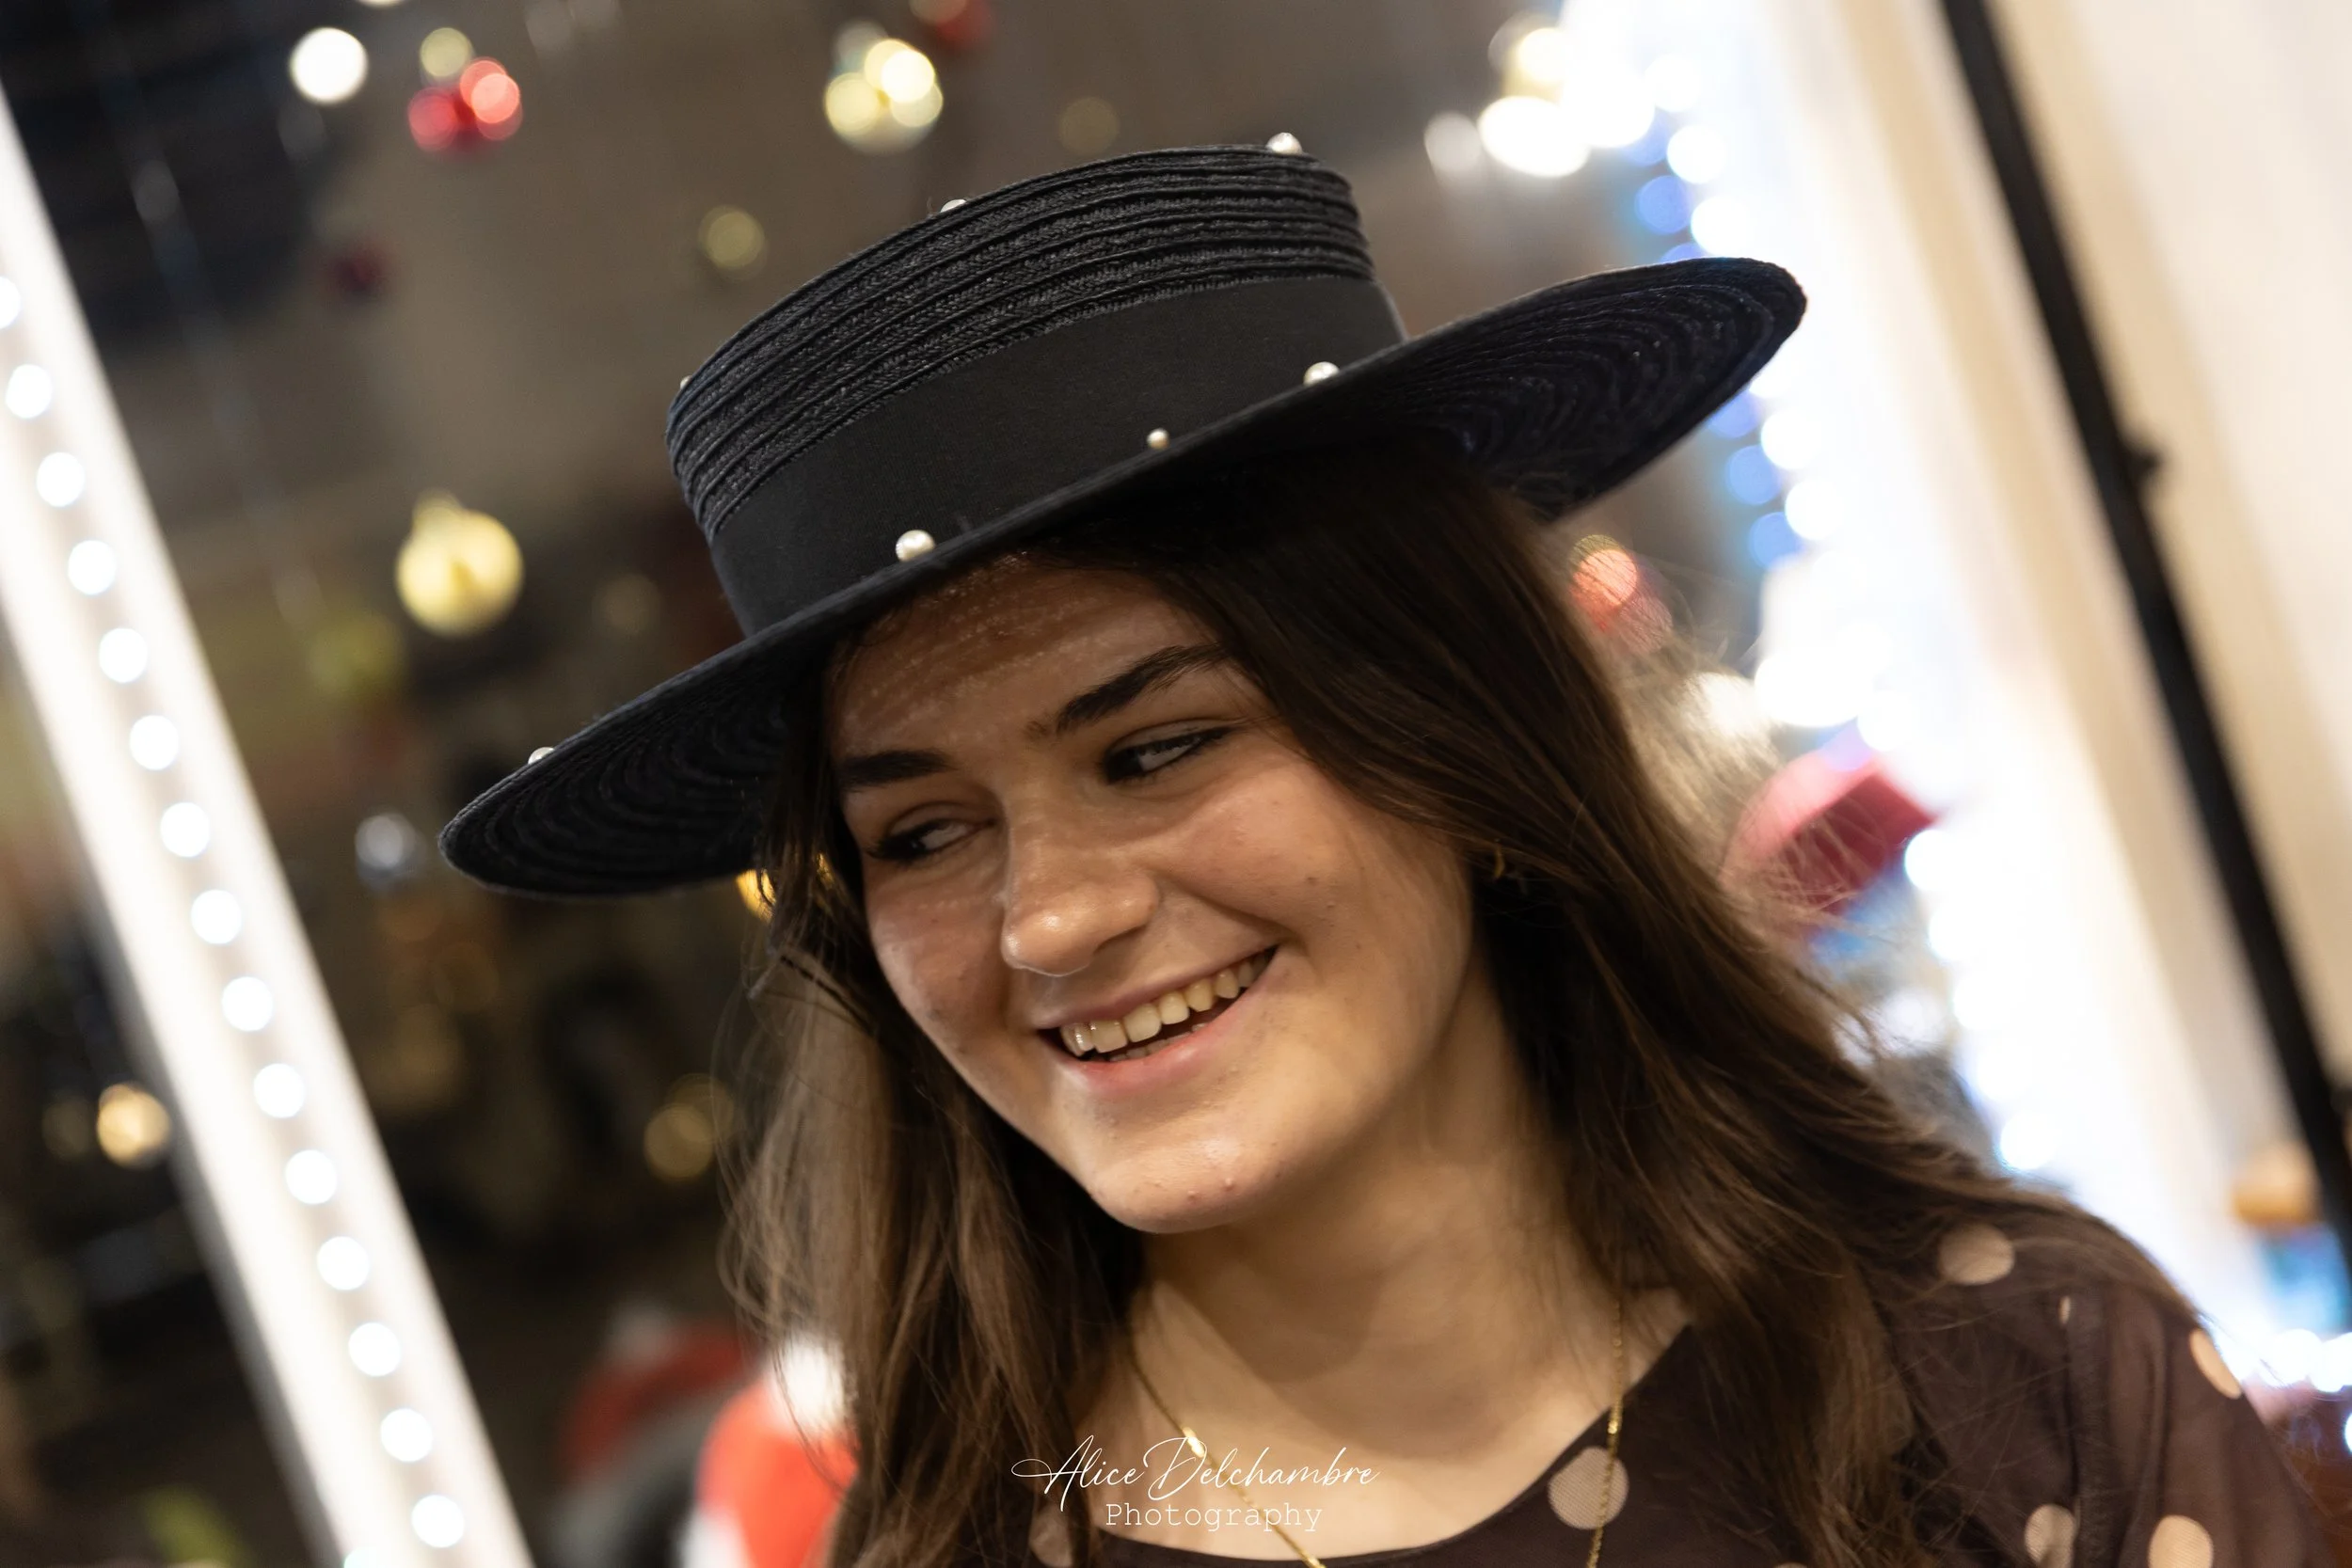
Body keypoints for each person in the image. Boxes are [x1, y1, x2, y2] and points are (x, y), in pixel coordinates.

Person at [443, 146, 2330, 1568]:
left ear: (1466, 737)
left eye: (1158, 745)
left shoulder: (2018, 1382)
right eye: (922, 830)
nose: (1055, 914)